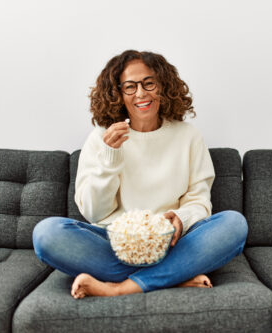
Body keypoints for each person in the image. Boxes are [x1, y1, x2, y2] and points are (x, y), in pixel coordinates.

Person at [32, 50, 248, 299]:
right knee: (46, 233)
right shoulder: (100, 138)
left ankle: (121, 287)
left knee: (234, 224)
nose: (141, 94)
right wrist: (110, 157)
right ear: (118, 94)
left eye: (149, 83)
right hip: (113, 243)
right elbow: (94, 212)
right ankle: (173, 277)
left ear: (163, 87)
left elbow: (199, 202)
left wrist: (180, 217)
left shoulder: (188, 136)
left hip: (172, 244)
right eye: (130, 87)